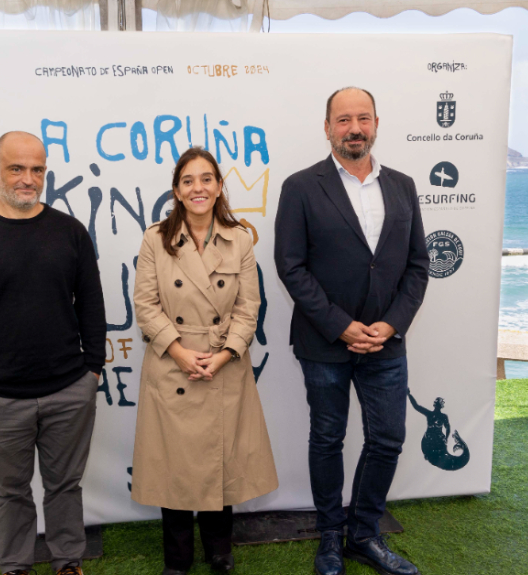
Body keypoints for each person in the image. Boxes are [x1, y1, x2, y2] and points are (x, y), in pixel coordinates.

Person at [274, 88, 429, 575]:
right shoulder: (300, 186)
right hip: (324, 343)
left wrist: (391, 323)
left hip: (387, 342)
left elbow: (418, 265)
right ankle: (330, 538)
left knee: (387, 439)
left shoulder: (403, 186)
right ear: (327, 128)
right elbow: (290, 266)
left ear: (377, 123)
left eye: (363, 118)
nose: (354, 128)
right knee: (327, 438)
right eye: (344, 120)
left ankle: (364, 535)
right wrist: (342, 327)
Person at [0, 131, 106, 575]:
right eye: (17, 168)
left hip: (70, 390)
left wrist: (92, 373)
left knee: (65, 486)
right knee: (11, 492)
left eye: (37, 169)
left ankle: (68, 561)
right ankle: (15, 565)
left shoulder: (70, 233)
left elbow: (92, 305)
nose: (28, 179)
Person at [131, 147, 279, 575]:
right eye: (189, 180)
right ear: (177, 190)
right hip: (171, 362)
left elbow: (250, 308)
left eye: (207, 179)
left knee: (222, 463)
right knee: (174, 468)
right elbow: (145, 304)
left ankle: (220, 550)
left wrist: (226, 354)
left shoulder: (240, 239)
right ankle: (176, 560)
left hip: (224, 365)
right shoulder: (154, 238)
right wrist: (178, 350)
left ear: (218, 188)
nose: (198, 188)